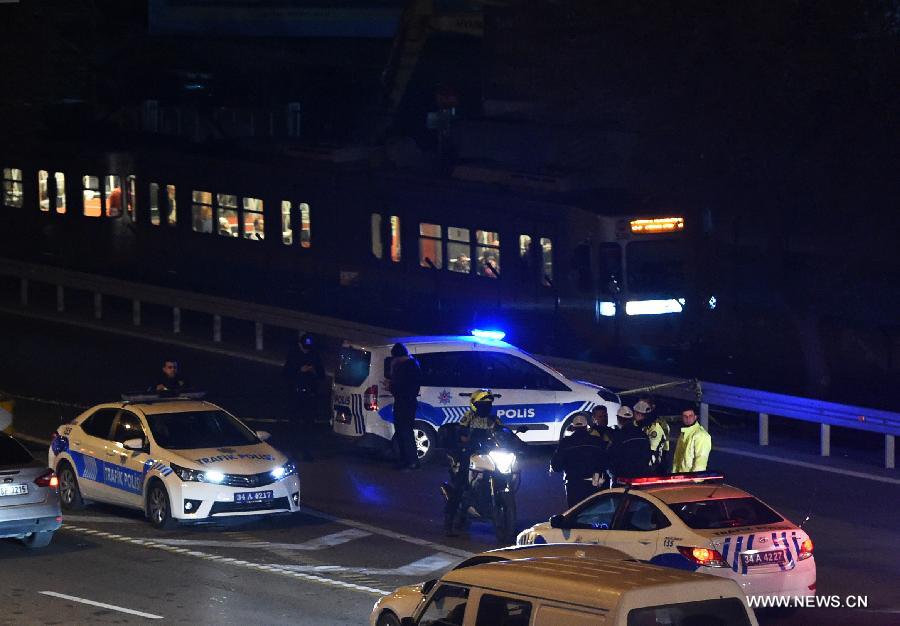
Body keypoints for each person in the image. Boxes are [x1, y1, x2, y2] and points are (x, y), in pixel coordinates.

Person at [440, 389, 502, 535]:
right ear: (475, 404)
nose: (486, 407)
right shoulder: (469, 417)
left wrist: (516, 443)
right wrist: (466, 439)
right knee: (461, 485)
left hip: (488, 456)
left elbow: (502, 433)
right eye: (483, 404)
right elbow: (461, 434)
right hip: (469, 454)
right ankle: (449, 522)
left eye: (488, 404)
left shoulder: (493, 420)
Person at [282, 333, 325, 461]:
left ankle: (306, 451)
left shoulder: (314, 355)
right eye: (305, 346)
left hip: (310, 395)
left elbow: (322, 375)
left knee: (309, 425)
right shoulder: (293, 355)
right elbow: (285, 374)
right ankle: (293, 450)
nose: (307, 349)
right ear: (300, 344)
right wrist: (299, 370)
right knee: (294, 424)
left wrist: (313, 371)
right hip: (296, 394)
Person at [551, 414, 608, 507]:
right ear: (586, 427)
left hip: (573, 486)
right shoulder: (596, 441)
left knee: (575, 514)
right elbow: (605, 462)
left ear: (573, 428)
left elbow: (556, 466)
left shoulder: (565, 443)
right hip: (593, 484)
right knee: (593, 513)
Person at [387, 343, 422, 470]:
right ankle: (408, 460)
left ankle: (410, 461)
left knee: (404, 431)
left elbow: (400, 387)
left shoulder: (404, 366)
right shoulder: (412, 365)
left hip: (404, 402)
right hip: (407, 402)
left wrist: (390, 386)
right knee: (404, 431)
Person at [607, 405, 651, 479]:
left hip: (623, 477)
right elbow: (648, 453)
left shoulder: (619, 436)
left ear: (618, 419)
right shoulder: (642, 434)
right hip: (641, 475)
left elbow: (612, 456)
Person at [633, 398, 670, 473]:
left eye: (644, 405)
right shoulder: (639, 425)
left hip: (652, 467)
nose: (641, 406)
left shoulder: (656, 426)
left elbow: (653, 451)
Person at [672, 408, 712, 473]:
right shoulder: (683, 433)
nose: (688, 418)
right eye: (685, 416)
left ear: (695, 417)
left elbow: (700, 461)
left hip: (690, 480)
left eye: (690, 416)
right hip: (680, 478)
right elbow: (677, 458)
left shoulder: (701, 435)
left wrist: (694, 480)